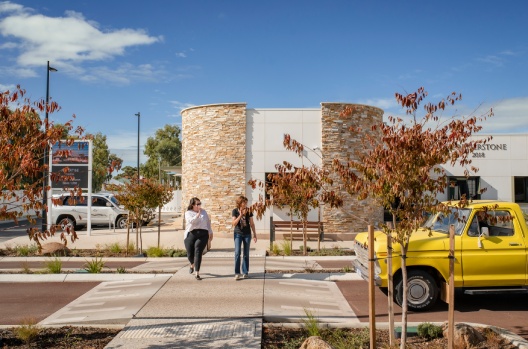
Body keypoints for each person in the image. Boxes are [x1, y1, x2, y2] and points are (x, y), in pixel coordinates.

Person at [184, 197, 213, 280]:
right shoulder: (188, 213)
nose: (199, 205)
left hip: (203, 234)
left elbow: (207, 223)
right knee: (190, 253)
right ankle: (192, 264)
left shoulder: (204, 212)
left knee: (198, 251)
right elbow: (191, 222)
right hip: (191, 233)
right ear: (193, 205)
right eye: (198, 204)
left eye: (200, 203)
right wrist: (197, 215)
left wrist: (210, 232)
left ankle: (197, 272)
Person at [232, 196, 257, 280]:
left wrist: (255, 234)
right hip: (238, 234)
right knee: (237, 253)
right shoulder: (235, 211)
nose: (246, 204)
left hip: (247, 234)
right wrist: (240, 215)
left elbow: (252, 223)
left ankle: (245, 272)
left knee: (246, 254)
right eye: (244, 202)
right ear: (240, 203)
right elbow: (234, 223)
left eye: (246, 202)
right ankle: (237, 273)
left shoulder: (249, 211)